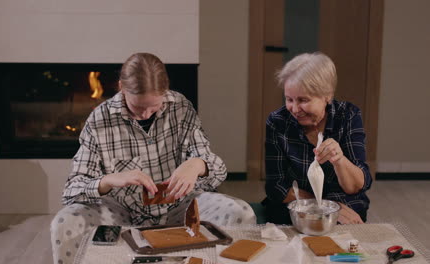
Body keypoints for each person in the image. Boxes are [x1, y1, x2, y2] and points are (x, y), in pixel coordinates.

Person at [50, 53, 255, 264]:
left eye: (154, 106)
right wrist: (110, 180)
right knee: (65, 222)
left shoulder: (180, 107)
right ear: (121, 86)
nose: (146, 114)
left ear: (164, 91)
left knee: (240, 212)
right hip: (122, 213)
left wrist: (197, 165)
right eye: (138, 107)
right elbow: (72, 190)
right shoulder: (99, 119)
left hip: (180, 207)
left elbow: (218, 171)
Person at [262, 52, 372, 225]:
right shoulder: (278, 122)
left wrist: (339, 160)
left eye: (303, 100)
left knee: (343, 232)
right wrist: (328, 207)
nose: (295, 109)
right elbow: (276, 187)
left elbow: (356, 186)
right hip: (298, 203)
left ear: (327, 95)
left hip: (346, 202)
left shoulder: (348, 116)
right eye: (289, 99)